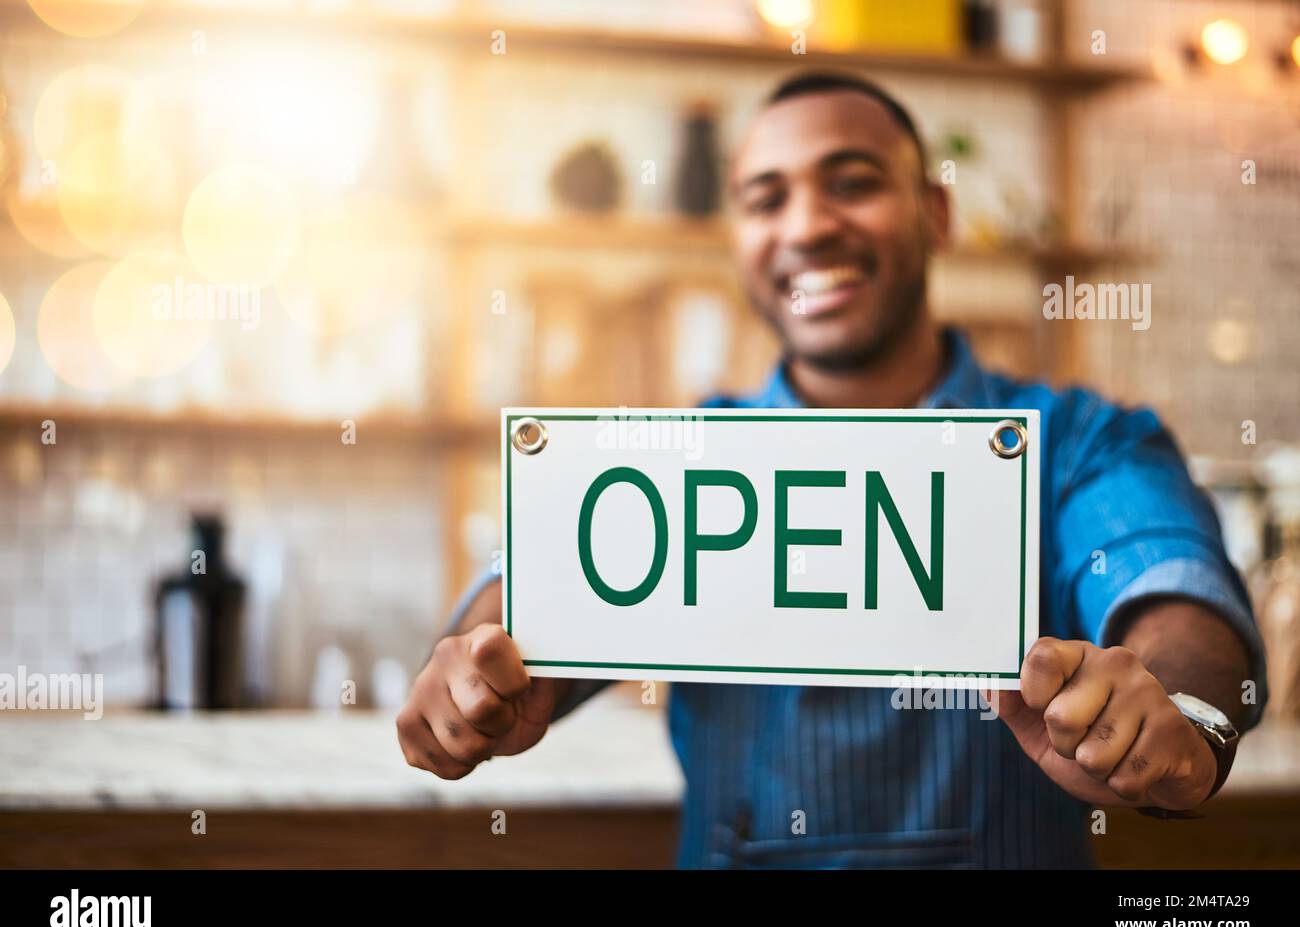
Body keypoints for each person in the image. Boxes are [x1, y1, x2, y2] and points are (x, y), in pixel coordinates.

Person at [396, 72, 1268, 868]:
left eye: (852, 183)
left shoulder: (1078, 439)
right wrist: (477, 668)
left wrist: (1177, 713)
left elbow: (1169, 584)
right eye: (765, 198)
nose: (808, 225)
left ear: (935, 212)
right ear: (739, 238)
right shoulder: (673, 453)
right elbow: (535, 588)